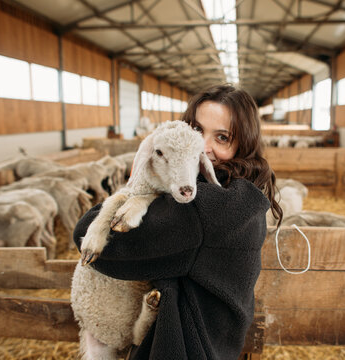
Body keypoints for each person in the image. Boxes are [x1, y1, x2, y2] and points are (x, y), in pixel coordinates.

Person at [73, 84, 283, 359]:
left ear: (242, 144)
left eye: (221, 137)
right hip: (213, 347)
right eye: (196, 130)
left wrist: (139, 184)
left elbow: (89, 238)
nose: (203, 148)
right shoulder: (243, 195)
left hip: (182, 348)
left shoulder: (205, 208)